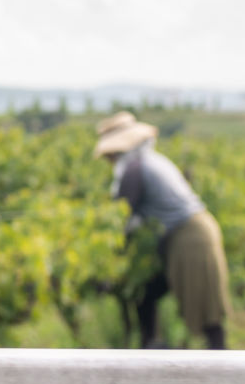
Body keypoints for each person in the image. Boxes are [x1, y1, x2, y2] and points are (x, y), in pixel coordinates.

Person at [94, 112, 229, 349]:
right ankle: (153, 348)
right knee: (148, 293)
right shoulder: (149, 161)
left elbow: (122, 220)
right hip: (191, 233)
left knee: (205, 308)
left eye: (110, 155)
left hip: (190, 238)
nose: (109, 160)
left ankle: (223, 367)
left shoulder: (135, 170)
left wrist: (107, 266)